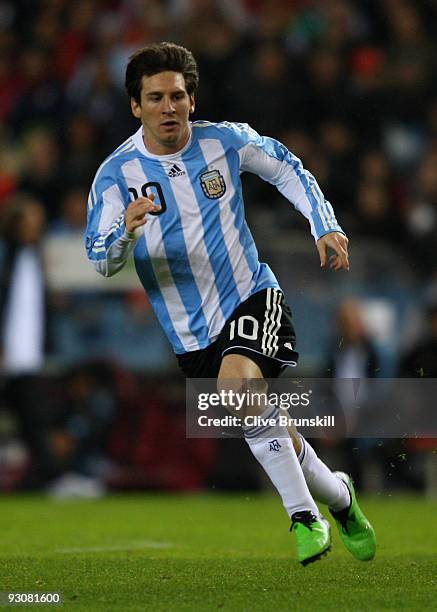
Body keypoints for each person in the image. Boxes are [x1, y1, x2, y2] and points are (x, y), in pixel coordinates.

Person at [85, 42, 376, 565]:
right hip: (189, 333)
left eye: (177, 96)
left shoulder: (226, 142)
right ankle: (341, 497)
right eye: (155, 98)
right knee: (264, 418)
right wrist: (126, 233)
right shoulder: (115, 176)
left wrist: (325, 224)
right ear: (136, 106)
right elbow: (100, 258)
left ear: (192, 100)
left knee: (237, 387)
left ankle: (304, 517)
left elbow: (287, 168)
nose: (168, 107)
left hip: (251, 295)